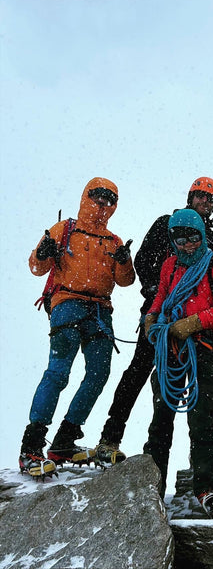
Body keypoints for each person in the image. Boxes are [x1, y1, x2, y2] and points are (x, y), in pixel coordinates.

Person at [95, 177, 213, 465]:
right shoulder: (166, 225)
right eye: (201, 196)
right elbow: (144, 259)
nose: (205, 201)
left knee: (191, 384)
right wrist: (156, 294)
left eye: (210, 199)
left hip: (192, 322)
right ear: (191, 196)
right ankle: (110, 437)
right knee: (138, 371)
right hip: (159, 314)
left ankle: (202, 459)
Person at [19, 178, 135, 478]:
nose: (103, 203)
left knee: (98, 373)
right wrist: (44, 251)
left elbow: (125, 281)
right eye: (98, 196)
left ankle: (63, 440)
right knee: (59, 371)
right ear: (86, 196)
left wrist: (124, 262)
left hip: (98, 308)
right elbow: (36, 267)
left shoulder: (113, 241)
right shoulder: (63, 231)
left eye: (110, 199)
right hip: (68, 303)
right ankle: (32, 445)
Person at [143, 209, 213, 516]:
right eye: (180, 239)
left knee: (201, 418)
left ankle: (205, 486)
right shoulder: (170, 265)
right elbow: (162, 293)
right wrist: (152, 316)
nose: (186, 245)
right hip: (170, 346)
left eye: (192, 238)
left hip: (202, 347)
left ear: (202, 236)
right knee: (161, 417)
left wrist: (193, 323)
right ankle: (151, 486)